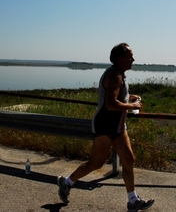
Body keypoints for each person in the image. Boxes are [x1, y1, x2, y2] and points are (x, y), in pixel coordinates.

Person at [57, 43, 154, 212]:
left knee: (129, 160)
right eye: (130, 56)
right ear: (119, 58)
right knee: (96, 163)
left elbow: (117, 94)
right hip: (105, 126)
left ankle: (133, 201)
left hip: (118, 126)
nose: (133, 59)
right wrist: (133, 106)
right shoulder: (114, 75)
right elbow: (110, 104)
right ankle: (66, 182)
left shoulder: (119, 75)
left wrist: (131, 97)